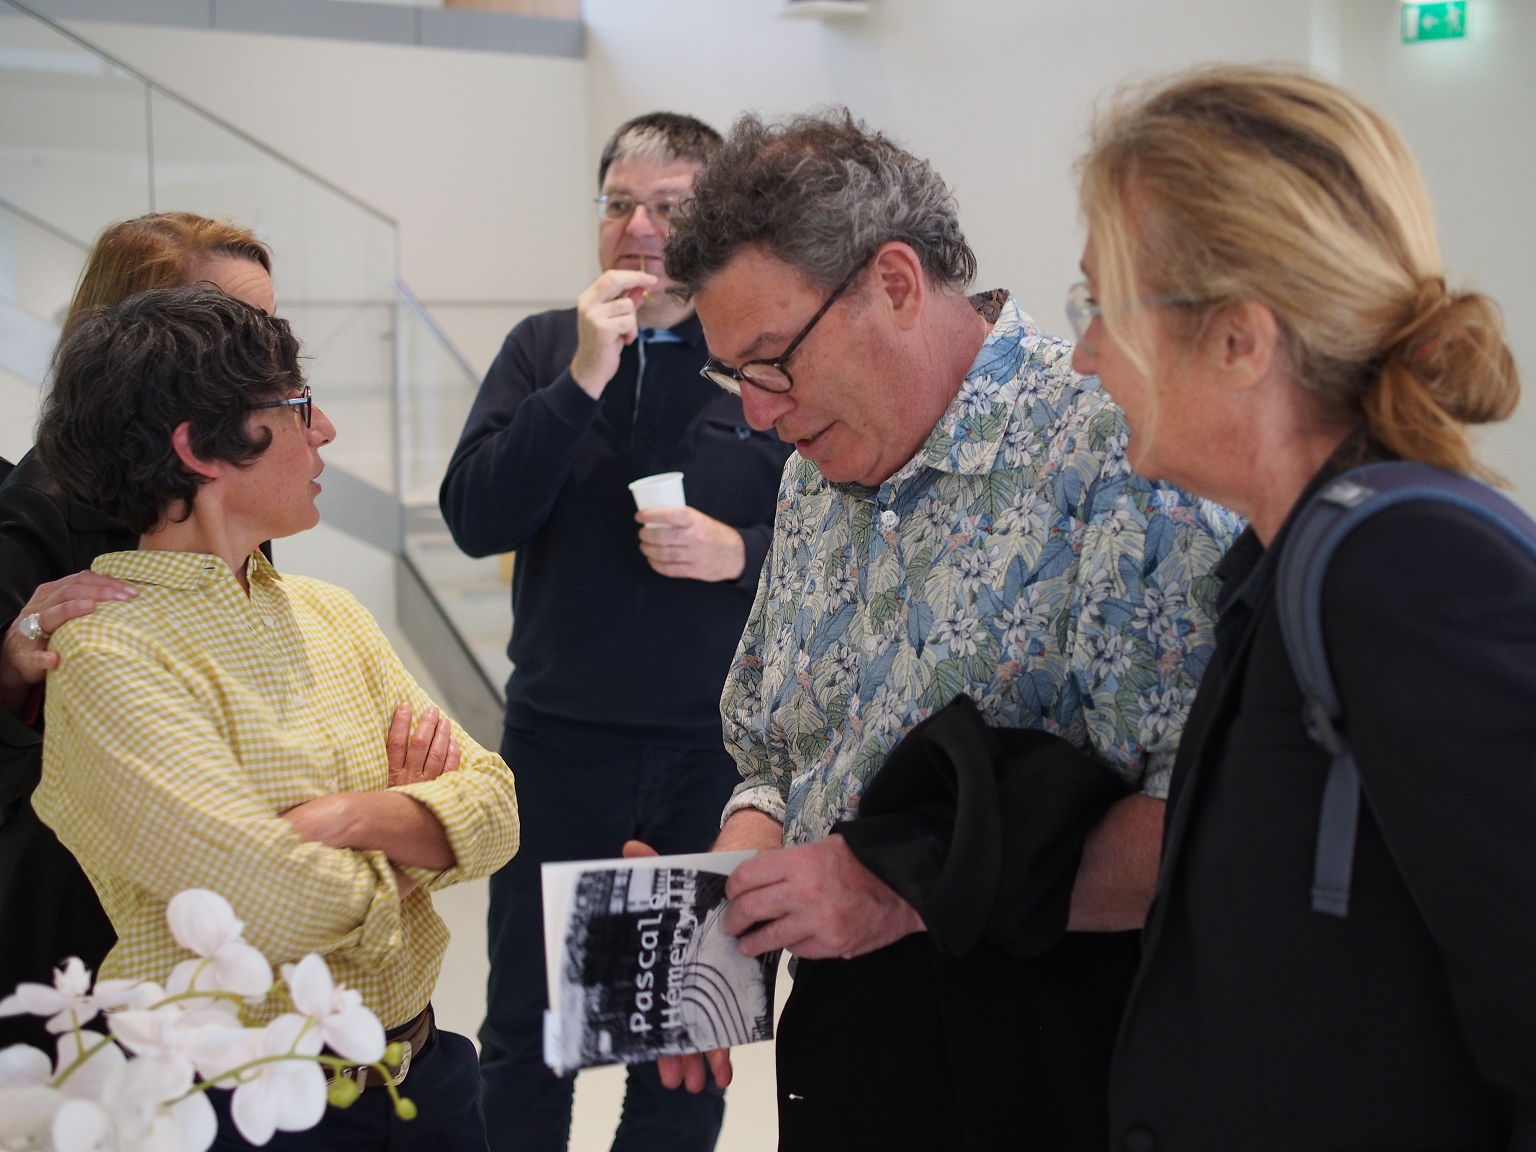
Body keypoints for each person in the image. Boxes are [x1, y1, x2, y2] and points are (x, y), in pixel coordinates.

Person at [658, 110, 1241, 1149]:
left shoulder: (1118, 453)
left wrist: (907, 890)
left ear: (893, 282)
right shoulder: (813, 475)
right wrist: (730, 900)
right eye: (733, 375)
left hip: (1054, 1066)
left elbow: (1206, 827)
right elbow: (780, 762)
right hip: (849, 1061)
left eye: (772, 360)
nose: (757, 413)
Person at [1069, 65, 1536, 1150]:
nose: (1085, 355)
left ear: (1241, 338)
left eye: (1103, 307)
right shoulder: (1294, 566)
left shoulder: (1406, 570)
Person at [31, 284, 521, 1149]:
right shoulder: (109, 656)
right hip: (240, 1106)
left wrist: (350, 818)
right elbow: (267, 903)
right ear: (200, 447)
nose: (323, 428)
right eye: (298, 406)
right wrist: (416, 841)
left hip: (426, 1074)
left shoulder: (331, 612)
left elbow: (499, 805)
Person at [439, 113, 792, 1152]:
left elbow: (839, 532)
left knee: (683, 1048)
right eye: (620, 204)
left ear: (716, 218)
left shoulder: (758, 354)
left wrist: (740, 551)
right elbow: (477, 519)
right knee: (527, 1037)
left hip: (712, 760)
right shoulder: (547, 347)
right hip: (559, 749)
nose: (639, 228)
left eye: (669, 207)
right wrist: (584, 376)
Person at [0, 212, 278, 1054]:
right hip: (91, 930)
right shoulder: (39, 509)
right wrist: (14, 665)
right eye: (238, 327)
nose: (269, 362)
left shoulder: (227, 494)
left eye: (272, 330)